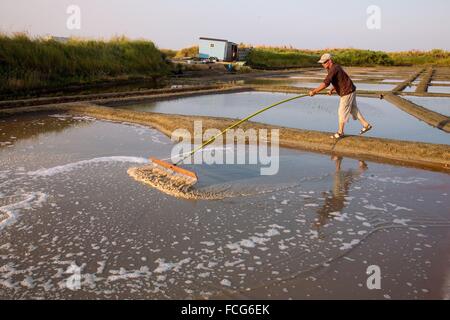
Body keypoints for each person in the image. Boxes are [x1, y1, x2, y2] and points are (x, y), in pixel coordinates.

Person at [309, 53, 373, 139]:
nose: (322, 64)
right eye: (322, 63)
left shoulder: (333, 69)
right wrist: (332, 89)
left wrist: (314, 91)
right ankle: (366, 125)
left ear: (329, 61)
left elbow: (326, 83)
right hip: (350, 89)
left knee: (341, 111)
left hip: (347, 92)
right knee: (353, 110)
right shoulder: (334, 67)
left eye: (324, 62)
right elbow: (339, 80)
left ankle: (340, 132)